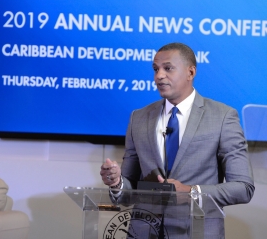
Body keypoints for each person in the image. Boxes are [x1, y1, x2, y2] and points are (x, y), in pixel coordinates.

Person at [100, 42, 255, 238]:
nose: (159, 76)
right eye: (156, 69)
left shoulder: (223, 117)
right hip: (144, 232)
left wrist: (192, 192)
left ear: (191, 72)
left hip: (196, 231)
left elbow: (243, 188)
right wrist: (117, 183)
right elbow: (129, 189)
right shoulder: (138, 118)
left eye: (168, 68)